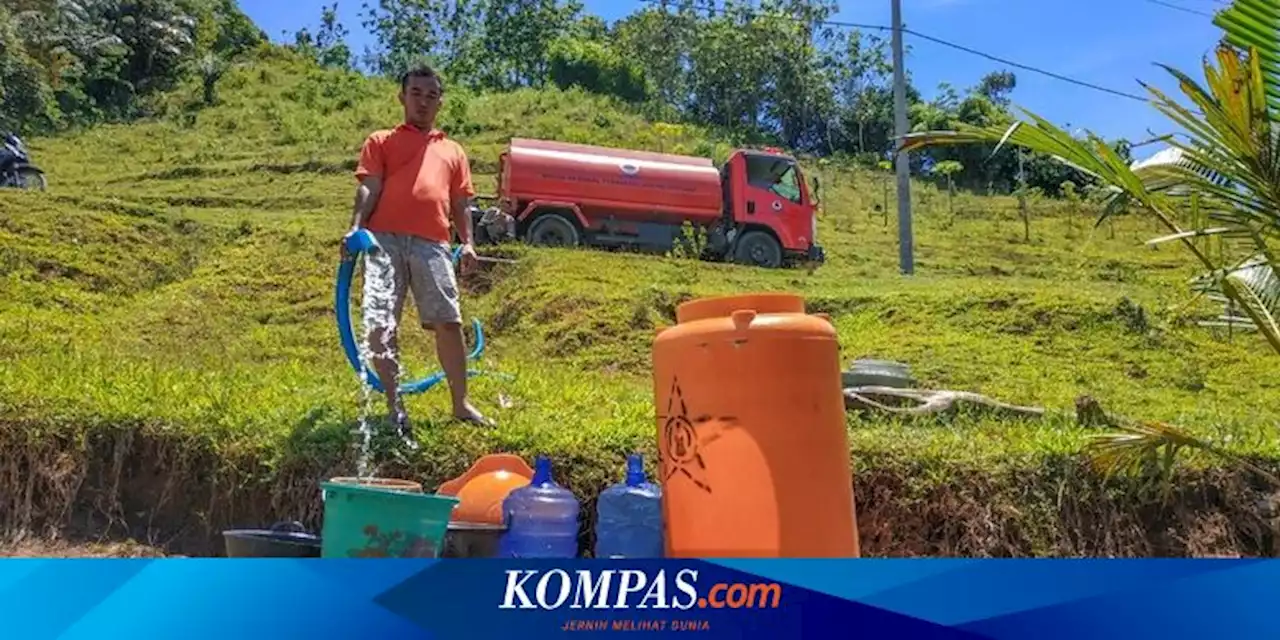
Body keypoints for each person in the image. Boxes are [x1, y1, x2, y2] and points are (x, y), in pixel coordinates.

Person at [342, 64, 492, 443]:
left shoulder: (453, 150)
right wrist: (356, 227)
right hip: (383, 241)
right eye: (416, 94)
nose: (423, 102)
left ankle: (460, 404)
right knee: (381, 323)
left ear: (440, 101)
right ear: (402, 97)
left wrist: (468, 241)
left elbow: (461, 202)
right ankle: (395, 406)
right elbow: (368, 189)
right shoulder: (380, 141)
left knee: (448, 321)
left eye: (431, 95)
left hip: (433, 242)